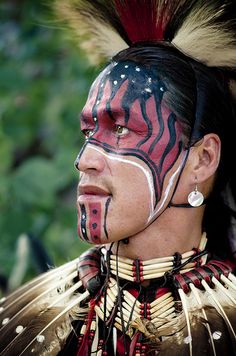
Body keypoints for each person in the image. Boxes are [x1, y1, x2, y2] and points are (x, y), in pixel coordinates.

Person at [1, 1, 236, 355]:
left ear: (202, 160)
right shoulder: (24, 319)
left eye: (121, 129)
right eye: (88, 132)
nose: (85, 161)